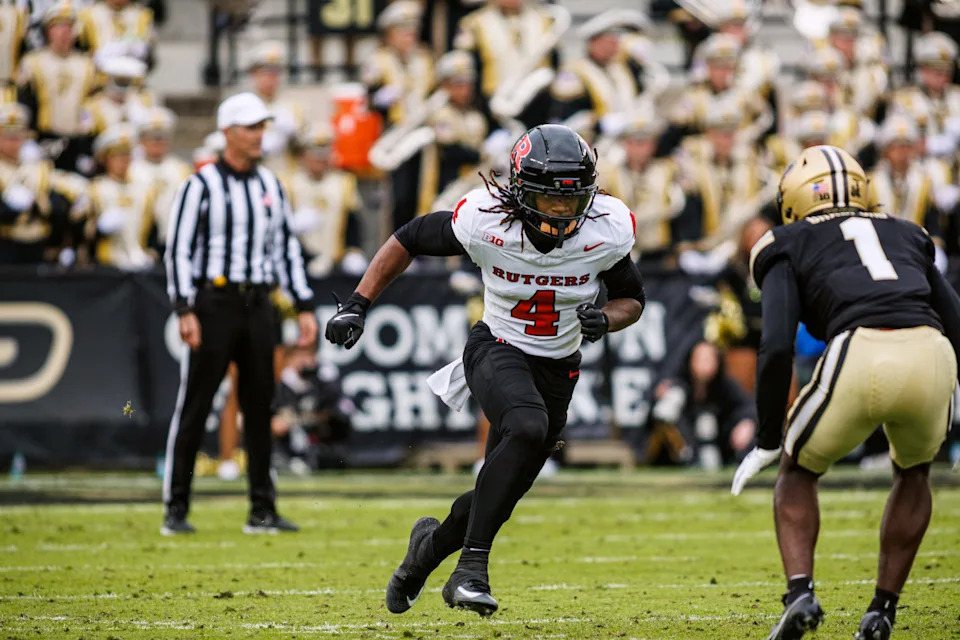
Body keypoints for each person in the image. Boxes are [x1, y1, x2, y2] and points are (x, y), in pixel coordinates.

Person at [325, 124, 645, 615]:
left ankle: (423, 556)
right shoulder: (485, 220)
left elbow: (633, 299)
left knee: (495, 495)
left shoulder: (605, 229)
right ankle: (471, 570)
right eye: (549, 200)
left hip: (559, 366)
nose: (561, 214)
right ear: (520, 191)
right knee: (526, 424)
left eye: (570, 201)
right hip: (496, 346)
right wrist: (357, 303)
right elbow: (408, 238)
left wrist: (606, 318)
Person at [731, 145, 960, 640]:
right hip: (932, 350)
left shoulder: (784, 240)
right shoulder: (908, 231)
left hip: (861, 351)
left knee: (797, 469)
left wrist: (769, 436)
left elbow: (774, 346)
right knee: (915, 470)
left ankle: (800, 596)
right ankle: (882, 610)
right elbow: (956, 321)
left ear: (793, 198)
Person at [161, 92, 318, 536]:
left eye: (262, 127)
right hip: (214, 303)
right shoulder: (200, 184)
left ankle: (262, 510)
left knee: (259, 403)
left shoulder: (270, 185)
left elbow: (285, 248)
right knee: (195, 404)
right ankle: (175, 508)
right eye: (250, 127)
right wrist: (183, 306)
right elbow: (179, 250)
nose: (258, 135)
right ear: (228, 131)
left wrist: (303, 303)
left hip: (259, 305)